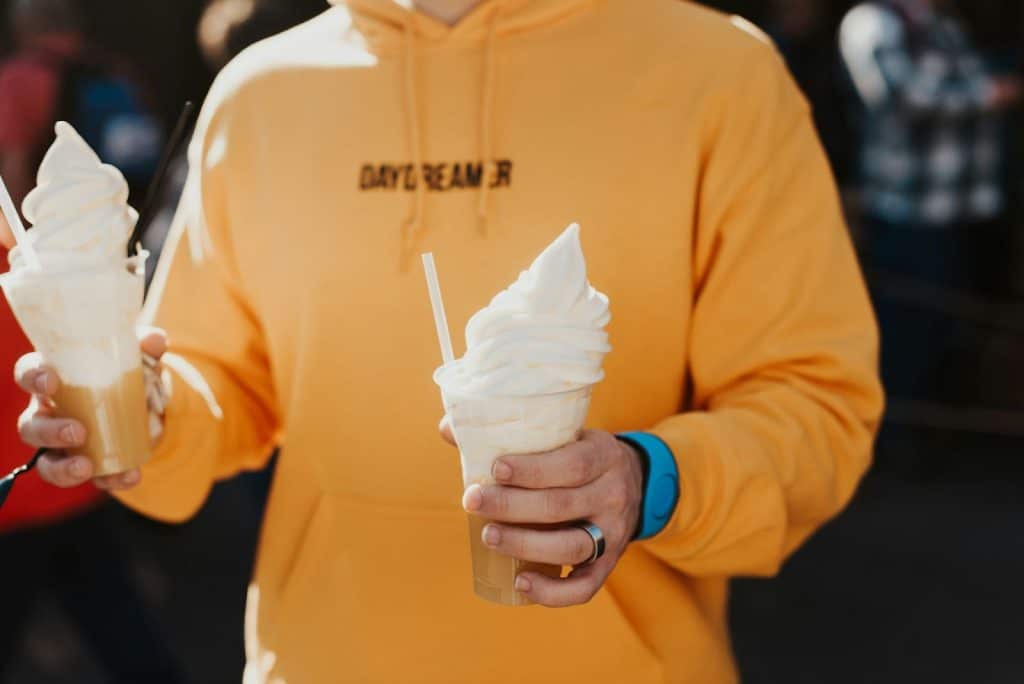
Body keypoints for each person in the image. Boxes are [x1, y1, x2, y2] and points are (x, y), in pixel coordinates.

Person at [12, 1, 883, 682]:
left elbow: (816, 405)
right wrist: (145, 417)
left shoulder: (721, 73)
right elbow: (219, 386)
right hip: (317, 666)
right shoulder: (262, 90)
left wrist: (649, 479)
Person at [840, 0, 1021, 404]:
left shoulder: (941, 22)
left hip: (959, 208)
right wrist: (993, 94)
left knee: (943, 325)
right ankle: (891, 435)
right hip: (906, 210)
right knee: (906, 328)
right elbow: (902, 98)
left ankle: (925, 429)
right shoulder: (873, 22)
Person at [0, 0, 162, 218]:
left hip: (59, 232)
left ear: (23, 25)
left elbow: (15, 167)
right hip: (128, 223)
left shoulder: (19, 79)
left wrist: (23, 244)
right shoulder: (119, 73)